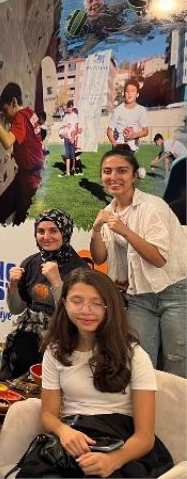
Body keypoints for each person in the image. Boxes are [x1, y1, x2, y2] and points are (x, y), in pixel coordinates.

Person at [30, 268, 174, 478]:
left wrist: (113, 460)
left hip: (120, 442)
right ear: (64, 303)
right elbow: (48, 414)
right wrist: (63, 431)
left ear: (110, 307)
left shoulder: (134, 355)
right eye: (77, 301)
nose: (86, 310)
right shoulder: (55, 351)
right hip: (74, 437)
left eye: (97, 303)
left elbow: (145, 436)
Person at [90, 146, 187, 377]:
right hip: (139, 297)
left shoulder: (153, 206)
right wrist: (95, 229)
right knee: (140, 365)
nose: (113, 177)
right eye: (107, 171)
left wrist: (125, 231)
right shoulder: (108, 211)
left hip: (174, 292)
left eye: (121, 171)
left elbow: (159, 259)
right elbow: (99, 257)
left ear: (134, 175)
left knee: (177, 363)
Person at [1, 209, 89, 380]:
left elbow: (75, 316)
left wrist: (57, 283)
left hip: (65, 337)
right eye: (41, 231)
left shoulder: (81, 270)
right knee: (19, 358)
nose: (46, 237)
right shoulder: (30, 263)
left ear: (65, 232)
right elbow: (16, 309)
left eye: (53, 231)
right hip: (29, 336)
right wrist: (13, 286)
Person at [0, 82, 45, 225]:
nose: (6, 118)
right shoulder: (30, 113)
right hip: (26, 176)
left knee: (19, 221)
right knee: (1, 207)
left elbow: (7, 142)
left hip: (30, 181)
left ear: (13, 102)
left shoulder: (20, 116)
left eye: (5, 110)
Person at [107, 80, 148, 152]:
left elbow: (145, 131)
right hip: (119, 147)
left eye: (132, 91)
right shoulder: (117, 110)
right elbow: (109, 130)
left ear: (137, 94)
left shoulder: (141, 110)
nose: (129, 93)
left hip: (132, 148)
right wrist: (115, 144)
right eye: (127, 91)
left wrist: (134, 135)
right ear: (124, 93)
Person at [59, 100, 81, 177]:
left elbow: (76, 128)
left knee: (73, 156)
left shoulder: (75, 116)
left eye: (70, 107)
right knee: (67, 156)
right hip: (66, 139)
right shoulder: (65, 117)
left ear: (72, 107)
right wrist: (62, 134)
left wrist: (73, 138)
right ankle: (67, 172)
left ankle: (73, 169)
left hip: (72, 139)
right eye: (68, 107)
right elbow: (63, 127)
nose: (69, 108)